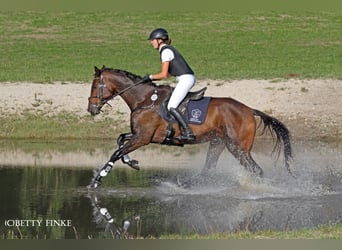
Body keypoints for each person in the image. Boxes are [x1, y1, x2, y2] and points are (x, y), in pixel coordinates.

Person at [142, 28, 196, 141]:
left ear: (159, 40)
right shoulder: (168, 50)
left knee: (171, 106)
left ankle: (188, 132)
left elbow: (164, 74)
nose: (151, 42)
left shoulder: (165, 51)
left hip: (185, 79)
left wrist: (150, 77)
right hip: (186, 78)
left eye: (152, 40)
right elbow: (170, 73)